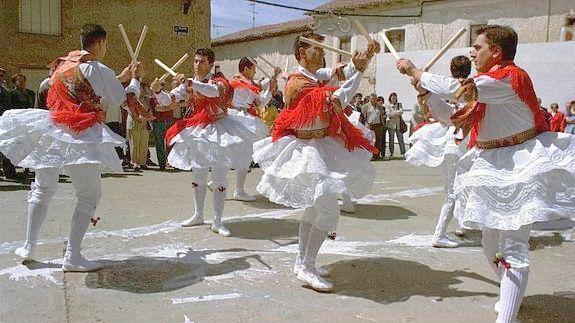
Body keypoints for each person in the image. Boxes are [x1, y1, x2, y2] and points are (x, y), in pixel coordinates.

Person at [397, 25, 575, 323]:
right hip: (492, 165)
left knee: (514, 246)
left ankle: (506, 316)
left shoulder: (510, 78)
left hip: (522, 165)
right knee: (490, 244)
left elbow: (458, 89)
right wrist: (424, 90)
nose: (472, 52)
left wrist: (416, 71)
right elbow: (453, 119)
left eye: (477, 47)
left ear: (496, 51)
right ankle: (510, 293)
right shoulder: (486, 89)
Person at [0, 24, 143, 271]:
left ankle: (28, 246)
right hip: (80, 133)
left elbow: (81, 85)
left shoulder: (63, 65)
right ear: (99, 43)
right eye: (105, 44)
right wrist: (135, 80)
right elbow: (124, 99)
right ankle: (73, 257)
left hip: (53, 131)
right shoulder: (98, 68)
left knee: (43, 189)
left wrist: (120, 77)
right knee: (89, 195)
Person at [253, 32, 379, 292]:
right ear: (301, 52)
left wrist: (365, 56)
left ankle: (302, 262)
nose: (323, 52)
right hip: (307, 150)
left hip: (320, 145)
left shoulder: (313, 76)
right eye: (317, 48)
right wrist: (360, 71)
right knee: (329, 211)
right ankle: (307, 266)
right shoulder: (297, 84)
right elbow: (338, 98)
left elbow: (336, 74)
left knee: (313, 209)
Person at [151, 48, 258, 237]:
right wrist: (158, 90)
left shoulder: (218, 80)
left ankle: (217, 220)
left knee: (219, 176)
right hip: (199, 130)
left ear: (210, 63)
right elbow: (169, 100)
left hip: (220, 128)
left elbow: (213, 92)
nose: (197, 64)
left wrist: (190, 83)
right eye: (195, 61)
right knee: (198, 174)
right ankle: (198, 214)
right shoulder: (189, 84)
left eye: (201, 61)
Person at [404, 55, 472, 248]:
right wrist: (422, 83)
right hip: (464, 144)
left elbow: (442, 115)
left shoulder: (444, 87)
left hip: (453, 143)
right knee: (458, 189)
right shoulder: (470, 88)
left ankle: (462, 224)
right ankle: (441, 233)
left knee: (461, 187)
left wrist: (424, 89)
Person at [228, 57, 277, 201]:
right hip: (244, 120)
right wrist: (270, 85)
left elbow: (258, 88)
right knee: (244, 154)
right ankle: (238, 190)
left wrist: (272, 79)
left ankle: (225, 183)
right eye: (253, 69)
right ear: (245, 69)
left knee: (236, 152)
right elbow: (260, 102)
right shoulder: (243, 84)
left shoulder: (238, 82)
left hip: (236, 118)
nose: (255, 72)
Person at [362, 93, 385, 159]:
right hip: (369, 126)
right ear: (369, 99)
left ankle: (377, 155)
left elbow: (381, 115)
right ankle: (369, 155)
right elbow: (363, 117)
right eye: (372, 98)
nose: (374, 100)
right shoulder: (365, 106)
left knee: (378, 141)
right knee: (370, 141)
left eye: (375, 99)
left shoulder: (379, 106)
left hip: (378, 126)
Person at [385, 92, 406, 159]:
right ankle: (391, 153)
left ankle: (403, 153)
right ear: (390, 98)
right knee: (391, 140)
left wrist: (393, 113)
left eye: (395, 97)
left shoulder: (399, 104)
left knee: (401, 139)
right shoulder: (387, 105)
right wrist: (397, 113)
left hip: (398, 124)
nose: (394, 99)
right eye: (392, 97)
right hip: (391, 125)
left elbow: (402, 111)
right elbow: (388, 114)